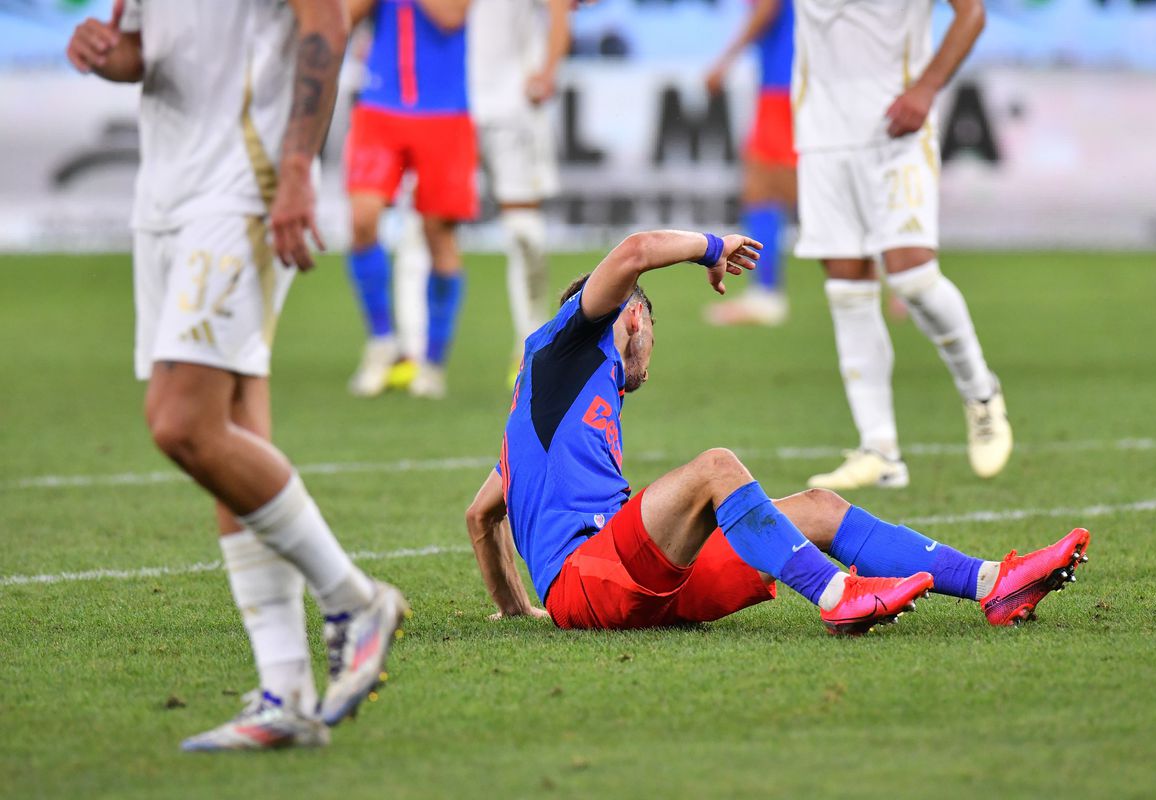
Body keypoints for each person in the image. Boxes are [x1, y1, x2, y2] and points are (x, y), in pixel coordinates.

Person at [67, 0, 409, 751]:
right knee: (227, 434)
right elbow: (141, 51)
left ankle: (354, 600)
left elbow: (326, 24)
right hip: (165, 198)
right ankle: (284, 690)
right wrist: (102, 50)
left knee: (181, 423)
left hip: (244, 183)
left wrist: (294, 171)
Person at [464, 230, 1089, 631]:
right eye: (653, 335)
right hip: (593, 578)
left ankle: (993, 583)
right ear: (633, 317)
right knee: (716, 467)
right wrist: (712, 248)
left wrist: (518, 609)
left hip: (633, 582)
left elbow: (479, 517)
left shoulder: (541, 420)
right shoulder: (565, 343)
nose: (646, 366)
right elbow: (633, 251)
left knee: (817, 508)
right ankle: (838, 594)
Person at [792, 0, 1013, 490]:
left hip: (897, 128)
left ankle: (980, 393)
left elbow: (971, 13)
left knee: (912, 277)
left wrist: (927, 87)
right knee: (847, 290)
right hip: (822, 135)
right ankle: (880, 449)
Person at [344, 0, 475, 399]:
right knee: (362, 218)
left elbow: (453, 15)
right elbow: (346, 15)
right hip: (380, 105)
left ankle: (432, 362)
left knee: (438, 235)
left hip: (445, 111)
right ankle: (381, 340)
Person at [468, 0, 571, 384]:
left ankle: (531, 346)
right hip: (450, 101)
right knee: (422, 228)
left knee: (523, 230)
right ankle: (415, 355)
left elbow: (560, 9)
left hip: (513, 105)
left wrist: (548, 70)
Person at [703, 0, 797, 328]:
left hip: (783, 86)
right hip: (792, 83)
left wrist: (725, 61)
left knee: (764, 188)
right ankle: (898, 278)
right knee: (778, 189)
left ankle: (766, 296)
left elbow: (767, 8)